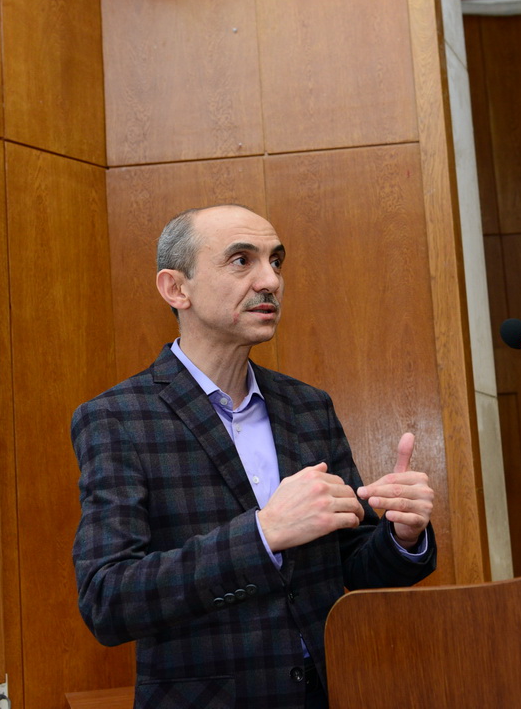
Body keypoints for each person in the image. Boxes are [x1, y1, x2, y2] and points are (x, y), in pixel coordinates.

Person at [71, 204, 437, 709]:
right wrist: (262, 534)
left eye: (276, 261)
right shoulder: (118, 418)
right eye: (242, 260)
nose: (270, 281)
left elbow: (350, 570)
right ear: (176, 289)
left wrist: (402, 535)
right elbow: (108, 600)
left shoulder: (308, 407)